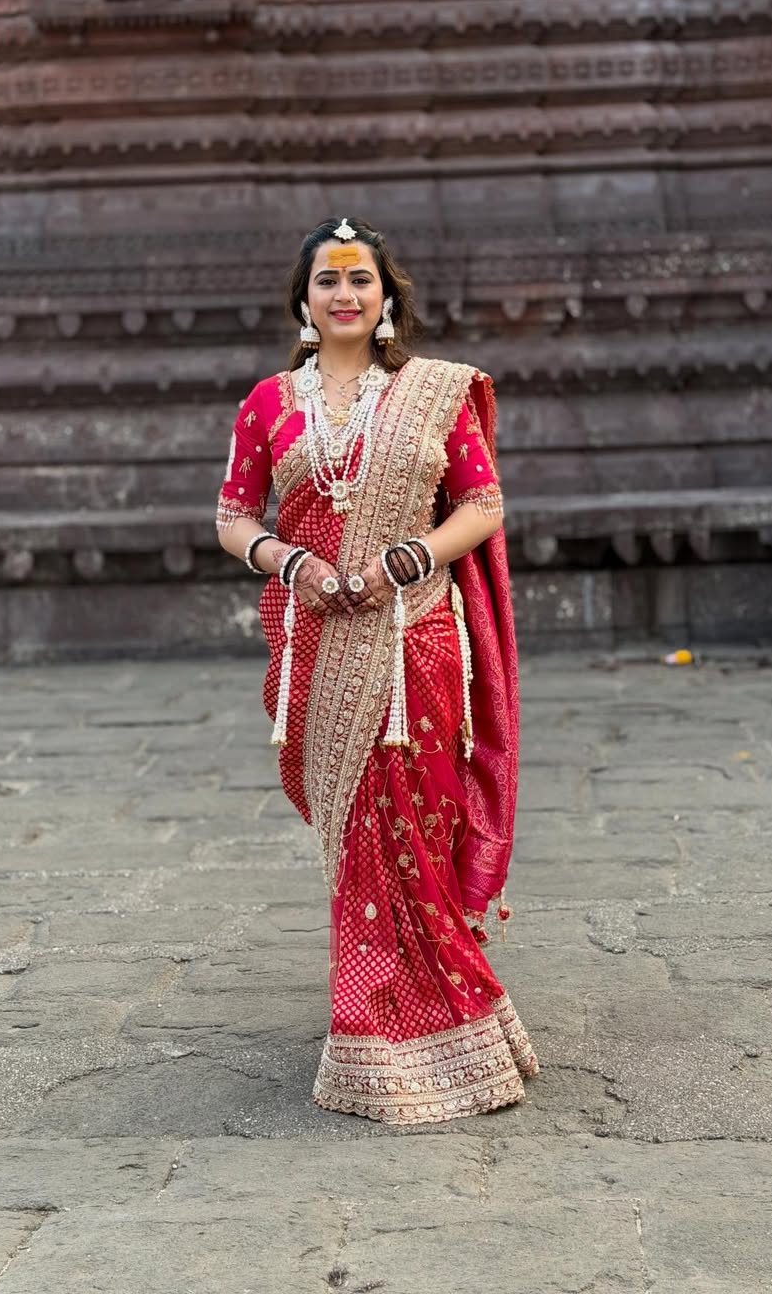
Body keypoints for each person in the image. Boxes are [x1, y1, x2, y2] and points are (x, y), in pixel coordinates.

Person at [215, 216, 538, 1126]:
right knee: (358, 836)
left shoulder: (436, 392)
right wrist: (294, 563)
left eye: (361, 279)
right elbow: (233, 515)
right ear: (304, 301)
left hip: (415, 643)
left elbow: (482, 503)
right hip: (317, 642)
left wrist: (408, 557)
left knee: (417, 835)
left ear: (386, 297)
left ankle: (441, 1018)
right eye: (328, 281)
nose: (345, 294)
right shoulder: (269, 403)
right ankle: (377, 1017)